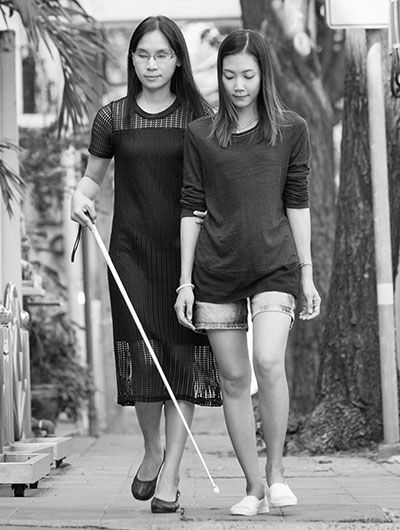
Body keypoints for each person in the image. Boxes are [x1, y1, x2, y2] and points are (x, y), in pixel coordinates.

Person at [70, 16, 221, 514]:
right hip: (130, 254)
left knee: (182, 360)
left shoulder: (201, 117)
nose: (151, 64)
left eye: (161, 55)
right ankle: (153, 448)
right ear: (131, 59)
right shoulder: (114, 117)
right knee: (143, 356)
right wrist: (80, 197)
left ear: (178, 58)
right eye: (142, 55)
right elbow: (92, 180)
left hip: (187, 257)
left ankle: (171, 474)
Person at [175, 29, 321, 516]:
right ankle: (253, 486)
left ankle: (278, 472)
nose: (238, 85)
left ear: (264, 75)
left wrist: (307, 274)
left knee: (268, 361)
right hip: (216, 270)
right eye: (229, 75)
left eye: (248, 75)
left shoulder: (291, 129)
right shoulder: (200, 134)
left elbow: (297, 203)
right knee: (234, 379)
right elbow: (191, 208)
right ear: (219, 76)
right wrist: (185, 282)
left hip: (275, 264)